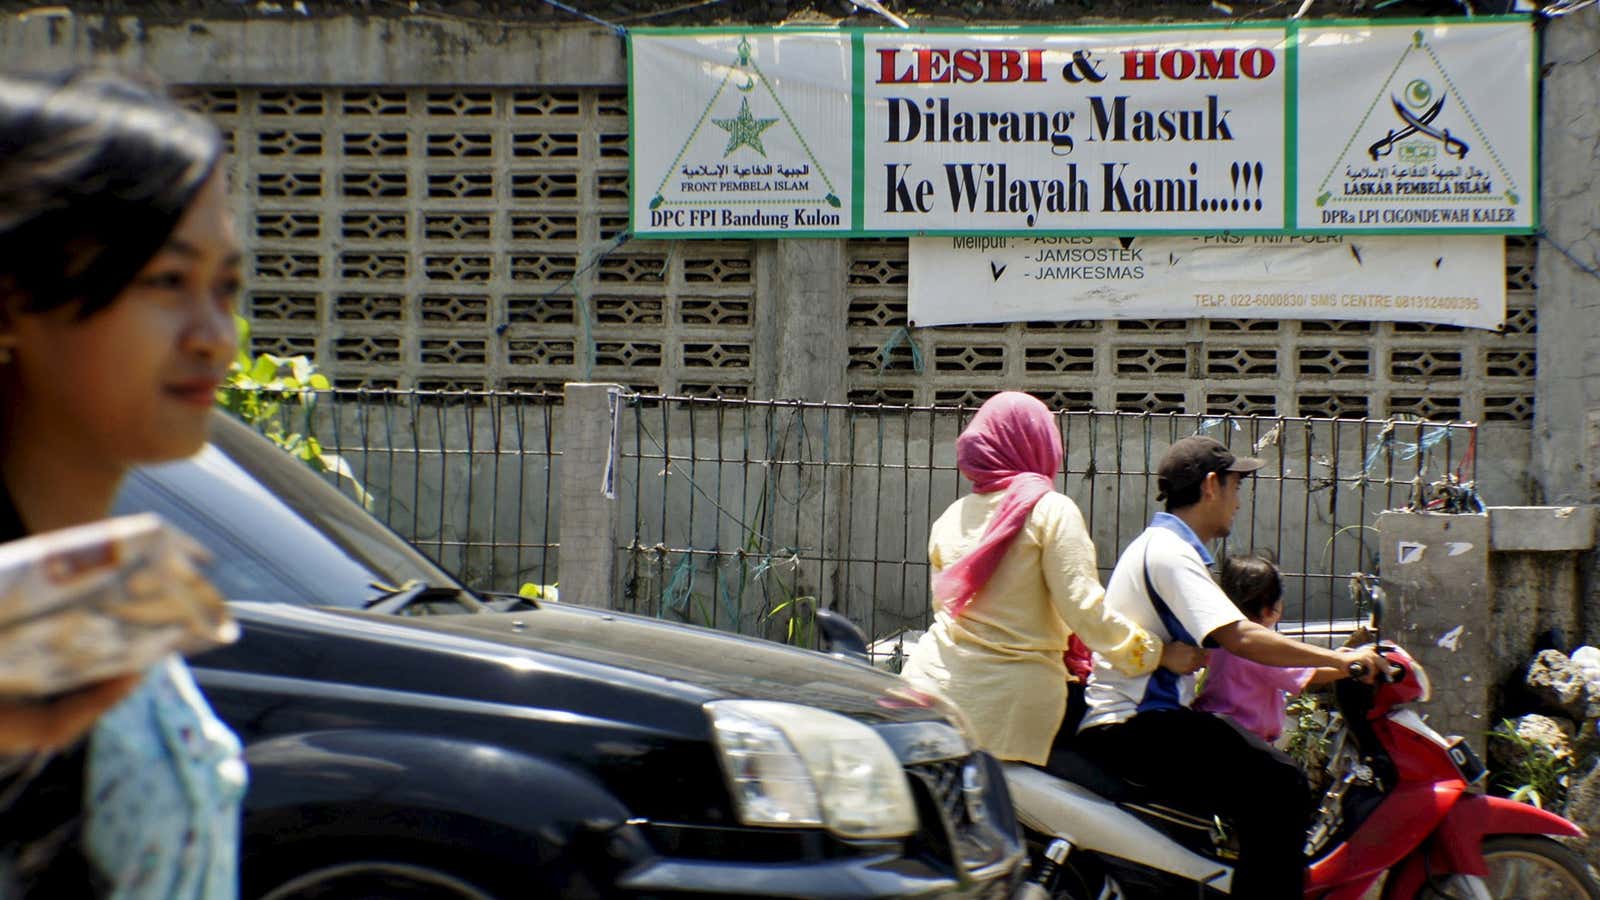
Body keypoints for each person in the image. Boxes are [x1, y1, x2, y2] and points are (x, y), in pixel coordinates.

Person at [0, 68, 246, 897]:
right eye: (169, 281)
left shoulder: (95, 601)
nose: (216, 336)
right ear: (11, 303)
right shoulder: (43, 616)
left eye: (228, 286)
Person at [1077, 435, 1387, 899]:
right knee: (1282, 785)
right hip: (1136, 726)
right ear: (1210, 486)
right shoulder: (1169, 553)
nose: (1239, 501)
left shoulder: (1168, 549)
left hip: (1141, 722)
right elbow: (1241, 636)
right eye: (1236, 486)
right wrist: (1341, 659)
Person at [900, 392, 1205, 767]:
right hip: (1010, 708)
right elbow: (1083, 608)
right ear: (1038, 444)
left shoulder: (950, 517)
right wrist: (1154, 653)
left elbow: (945, 607)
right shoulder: (1051, 511)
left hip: (929, 690)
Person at [1194, 554, 1345, 744]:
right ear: (1269, 609)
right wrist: (1345, 667)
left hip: (1213, 727)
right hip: (1245, 740)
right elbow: (1309, 673)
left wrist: (1339, 658)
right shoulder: (1260, 648)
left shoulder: (1221, 636)